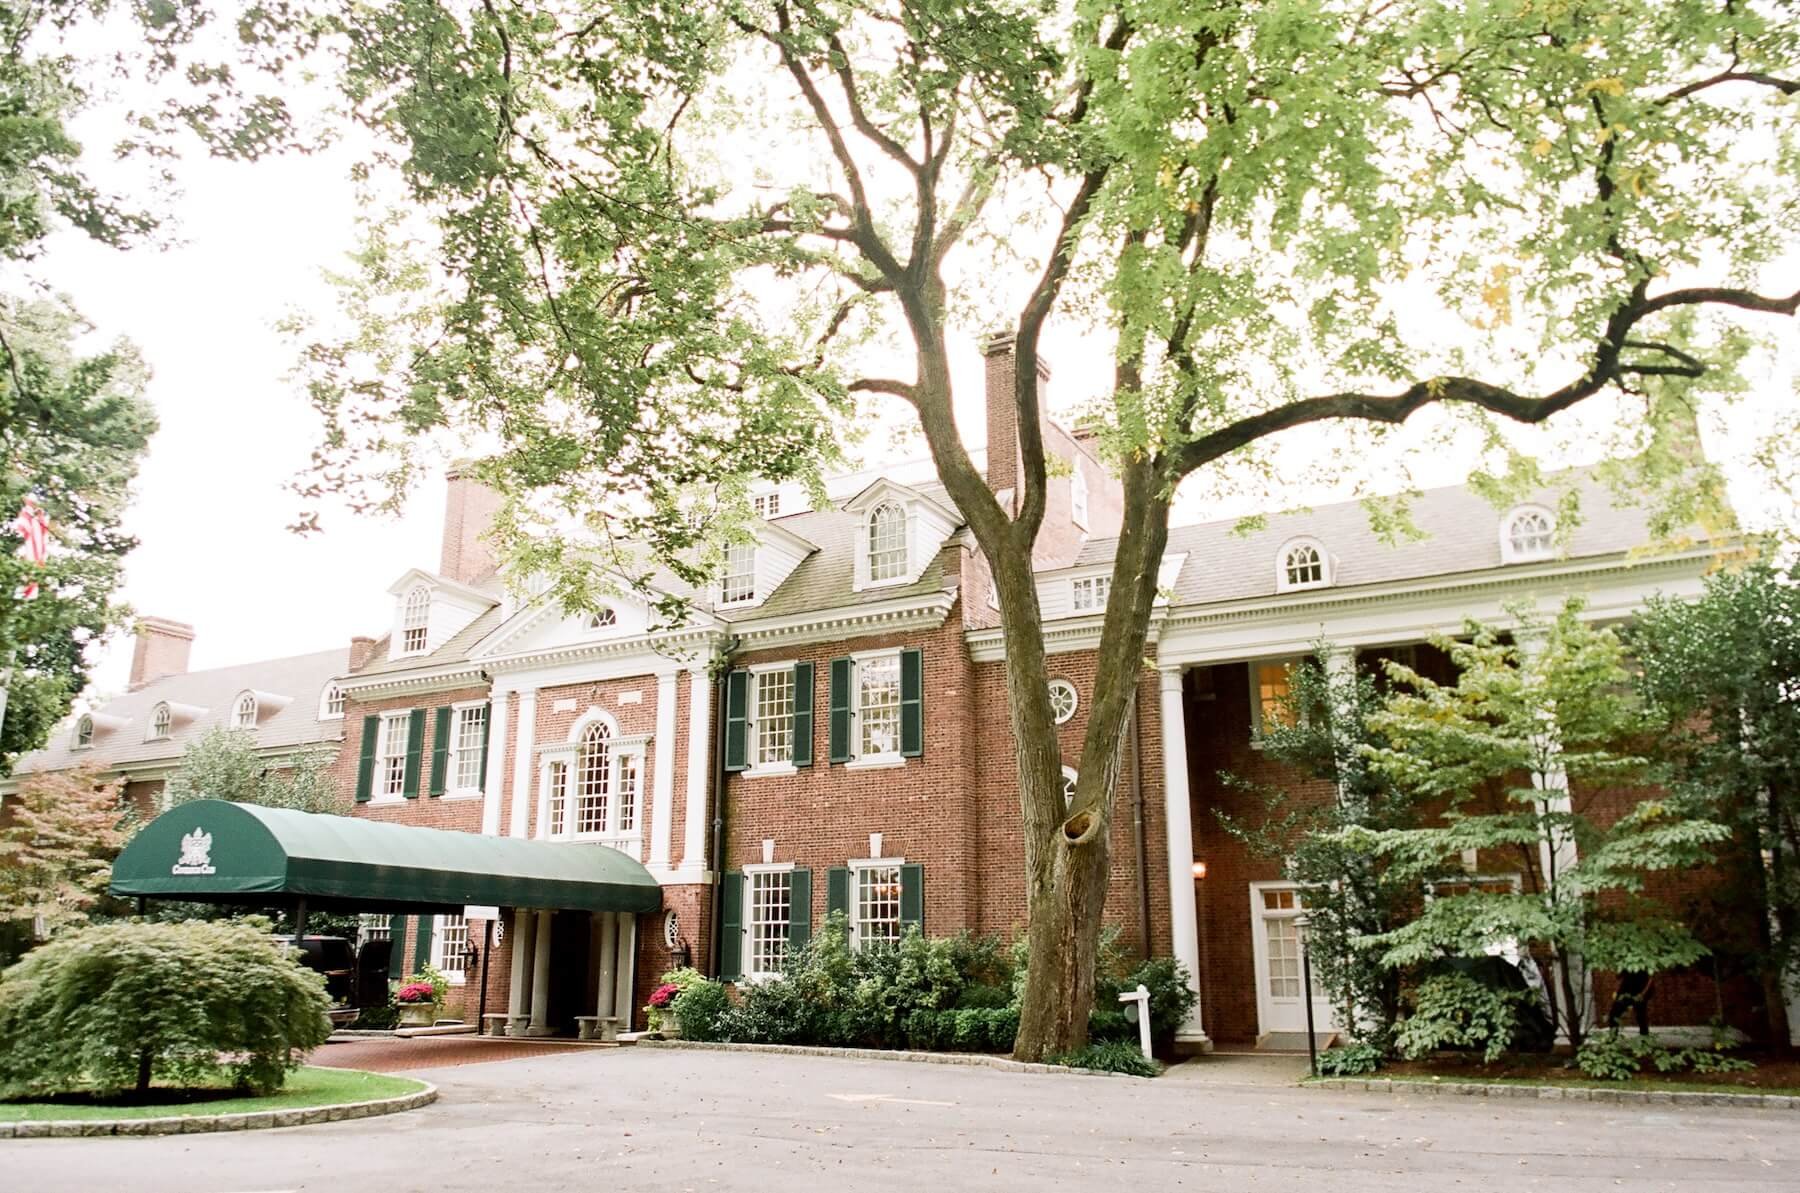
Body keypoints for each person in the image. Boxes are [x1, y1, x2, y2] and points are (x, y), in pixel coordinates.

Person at [1607, 971, 1653, 1036]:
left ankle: (1644, 1039)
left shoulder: (1645, 963)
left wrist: (1643, 993)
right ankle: (1612, 1038)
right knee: (1613, 1014)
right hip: (1625, 991)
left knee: (1641, 1016)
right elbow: (1618, 976)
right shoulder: (1624, 963)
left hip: (1640, 990)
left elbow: (1651, 979)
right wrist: (1616, 991)